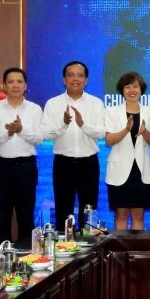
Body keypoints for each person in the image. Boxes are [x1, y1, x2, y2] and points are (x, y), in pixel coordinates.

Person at [41, 61, 106, 231]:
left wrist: (83, 124)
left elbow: (102, 133)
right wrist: (63, 124)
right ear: (64, 79)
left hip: (89, 163)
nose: (75, 79)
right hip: (63, 163)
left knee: (89, 210)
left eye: (80, 75)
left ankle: (90, 252)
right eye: (71, 75)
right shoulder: (52, 104)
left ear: (86, 80)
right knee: (63, 209)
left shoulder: (96, 103)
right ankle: (65, 251)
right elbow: (46, 134)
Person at [0, 67, 42, 249]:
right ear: (3, 86)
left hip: (25, 166)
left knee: (26, 213)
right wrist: (8, 132)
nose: (15, 85)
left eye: (19, 81)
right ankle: (2, 257)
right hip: (0, 167)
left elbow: (39, 138)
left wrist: (21, 130)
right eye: (11, 81)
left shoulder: (34, 109)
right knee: (1, 213)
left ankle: (27, 253)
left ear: (26, 86)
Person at [104, 72, 150, 231]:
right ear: (122, 90)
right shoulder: (112, 111)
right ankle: (119, 255)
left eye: (135, 86)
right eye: (128, 87)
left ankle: (136, 254)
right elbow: (109, 141)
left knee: (138, 215)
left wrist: (145, 132)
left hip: (142, 170)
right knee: (121, 214)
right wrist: (126, 130)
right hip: (120, 169)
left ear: (141, 89)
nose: (132, 90)